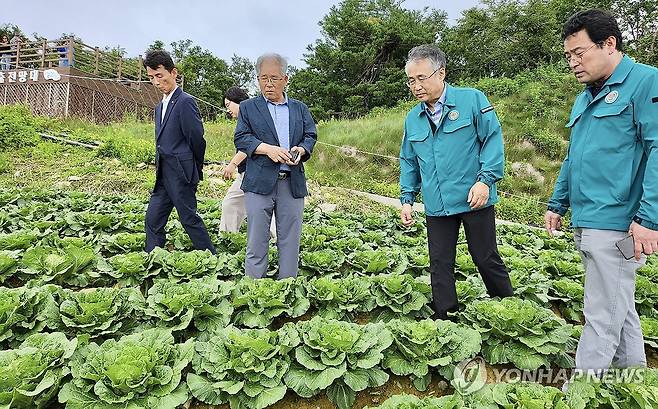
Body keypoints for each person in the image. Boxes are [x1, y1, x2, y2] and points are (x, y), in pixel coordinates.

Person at [545, 9, 658, 377]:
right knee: (617, 306)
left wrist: (649, 219)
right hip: (588, 217)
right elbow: (574, 156)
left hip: (621, 224)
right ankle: (633, 378)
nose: (573, 63)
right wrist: (557, 201)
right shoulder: (586, 97)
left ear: (609, 44)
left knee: (600, 314)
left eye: (580, 53)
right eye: (568, 56)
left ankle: (580, 390)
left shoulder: (646, 83)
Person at [399, 44, 513, 320]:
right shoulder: (413, 119)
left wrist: (486, 180)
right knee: (440, 263)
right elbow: (409, 161)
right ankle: (446, 317)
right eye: (411, 80)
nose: (416, 86)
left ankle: (509, 308)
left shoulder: (472, 100)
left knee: (485, 256)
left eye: (421, 78)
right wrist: (407, 199)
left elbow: (492, 140)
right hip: (437, 204)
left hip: (474, 198)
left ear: (441, 74)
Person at [234, 53, 317, 279]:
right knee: (257, 239)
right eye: (263, 78)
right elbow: (241, 138)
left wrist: (301, 149)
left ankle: (287, 287)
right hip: (259, 184)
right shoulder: (249, 107)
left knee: (290, 240)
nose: (268, 84)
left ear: (286, 79)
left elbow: (310, 135)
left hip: (291, 183)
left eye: (274, 78)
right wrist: (267, 149)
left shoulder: (299, 108)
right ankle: (254, 290)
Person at [143, 50, 216, 254]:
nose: (156, 82)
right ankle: (153, 260)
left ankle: (212, 257)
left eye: (159, 76)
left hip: (181, 172)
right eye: (151, 78)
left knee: (188, 218)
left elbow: (196, 138)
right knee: (153, 219)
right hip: (163, 173)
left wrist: (194, 167)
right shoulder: (160, 107)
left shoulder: (184, 101)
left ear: (173, 73)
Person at [219, 86, 277, 238]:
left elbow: (248, 145)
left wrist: (232, 165)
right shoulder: (244, 119)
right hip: (245, 174)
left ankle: (277, 243)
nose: (227, 110)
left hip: (257, 173)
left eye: (228, 105)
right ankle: (228, 238)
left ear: (239, 102)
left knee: (263, 209)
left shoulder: (253, 117)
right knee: (230, 204)